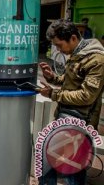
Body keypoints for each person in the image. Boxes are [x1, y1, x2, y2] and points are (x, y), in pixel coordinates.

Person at [38, 20, 104, 184]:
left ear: (73, 38)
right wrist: (52, 77)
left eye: (59, 45)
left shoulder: (96, 59)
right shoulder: (78, 53)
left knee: (58, 164)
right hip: (67, 115)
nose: (59, 50)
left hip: (80, 119)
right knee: (69, 166)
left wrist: (53, 94)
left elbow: (86, 96)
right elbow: (72, 82)